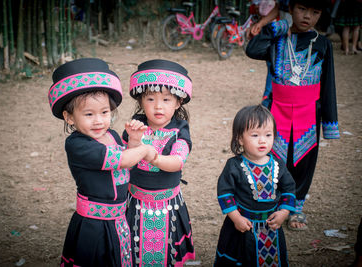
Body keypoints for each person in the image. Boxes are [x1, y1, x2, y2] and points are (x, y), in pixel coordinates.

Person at [48, 58, 157, 266]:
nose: (99, 120)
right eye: (89, 114)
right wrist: (144, 148)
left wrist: (134, 140)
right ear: (69, 117)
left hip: (118, 219)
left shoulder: (113, 136)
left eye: (104, 112)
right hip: (93, 224)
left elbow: (128, 165)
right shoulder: (78, 145)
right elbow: (123, 160)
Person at [246, 0, 340, 230]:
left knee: (304, 159)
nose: (307, 16)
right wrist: (271, 28)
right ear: (291, 9)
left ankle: (295, 208)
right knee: (274, 157)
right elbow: (253, 50)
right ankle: (274, 202)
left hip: (309, 112)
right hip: (276, 108)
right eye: (301, 9)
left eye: (314, 11)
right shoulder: (278, 39)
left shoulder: (323, 44)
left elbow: (328, 84)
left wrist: (330, 122)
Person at [122, 59, 195, 266]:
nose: (158, 106)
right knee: (133, 252)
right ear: (141, 101)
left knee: (168, 252)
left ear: (178, 102)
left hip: (168, 206)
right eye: (151, 99)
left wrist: (152, 156)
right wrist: (134, 140)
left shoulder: (180, 130)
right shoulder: (136, 125)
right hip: (135, 203)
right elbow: (125, 162)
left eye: (166, 100)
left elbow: (177, 162)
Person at [214, 105, 296, 266]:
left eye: (268, 134)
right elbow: (225, 194)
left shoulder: (278, 165)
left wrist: (284, 212)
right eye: (255, 135)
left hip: (271, 228)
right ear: (239, 138)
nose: (262, 140)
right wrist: (236, 218)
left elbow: (289, 189)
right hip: (243, 228)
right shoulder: (234, 166)